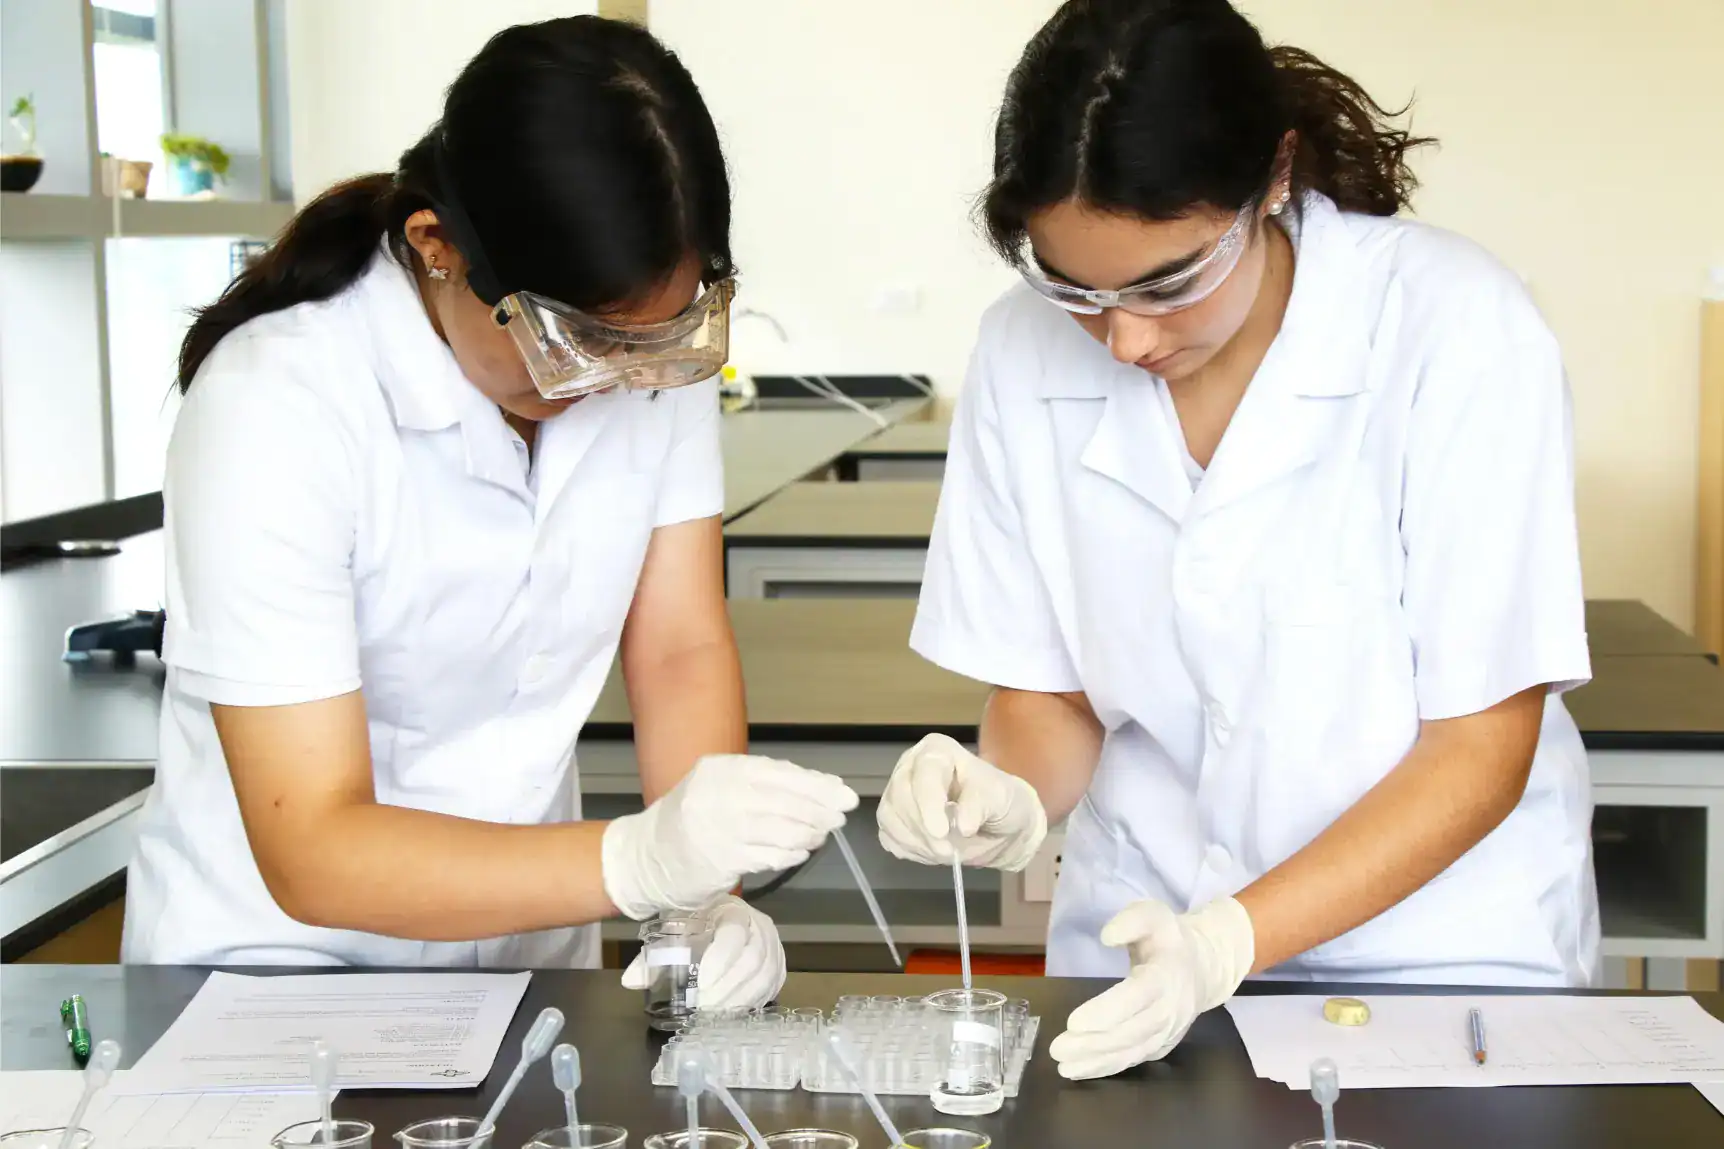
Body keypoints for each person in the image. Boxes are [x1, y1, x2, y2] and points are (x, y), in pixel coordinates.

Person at [877, 0, 1596, 1080]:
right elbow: (1051, 692)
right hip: (1139, 947)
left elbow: (1480, 746)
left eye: (1169, 282)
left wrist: (1228, 940)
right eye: (1074, 287)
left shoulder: (1454, 326)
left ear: (1273, 178)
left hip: (1435, 957)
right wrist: (1008, 791)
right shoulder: (1019, 352)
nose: (1124, 338)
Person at [121, 16, 857, 1012]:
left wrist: (703, 896)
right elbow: (314, 845)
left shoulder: (646, 352)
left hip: (521, 964)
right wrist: (640, 860)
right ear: (437, 246)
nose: (611, 378)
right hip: (277, 978)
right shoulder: (278, 402)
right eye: (574, 342)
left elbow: (679, 647)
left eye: (651, 341)